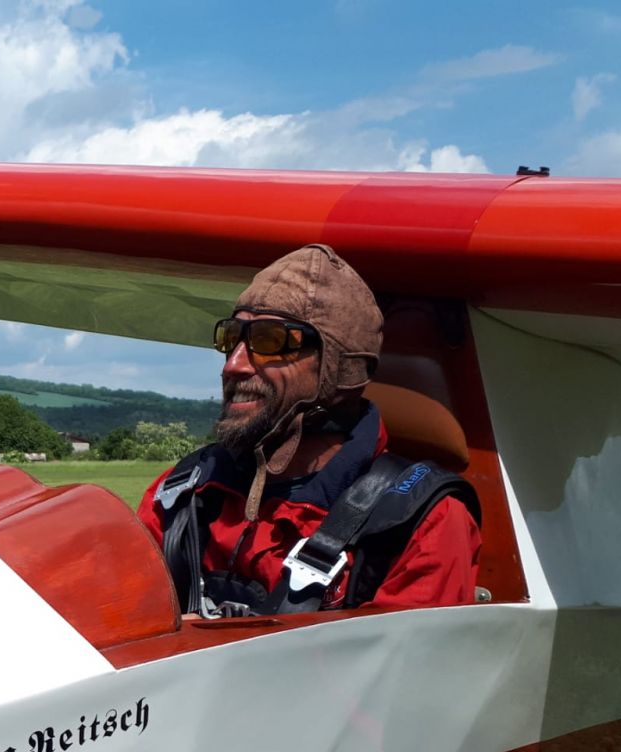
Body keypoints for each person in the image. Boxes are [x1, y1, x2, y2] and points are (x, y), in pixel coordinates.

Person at [137, 243, 481, 618]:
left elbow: (409, 655)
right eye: (232, 338)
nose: (233, 365)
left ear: (338, 369)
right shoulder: (181, 495)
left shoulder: (421, 524)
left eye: (270, 341)